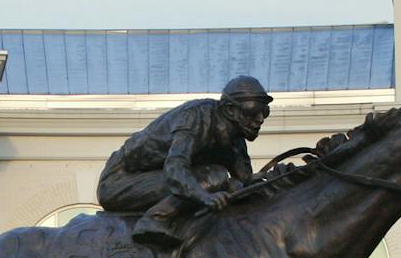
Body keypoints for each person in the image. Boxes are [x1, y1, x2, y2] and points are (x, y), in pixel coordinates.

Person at [96, 75, 272, 247]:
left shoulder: (236, 137)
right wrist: (204, 197)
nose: (260, 119)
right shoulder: (194, 117)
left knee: (233, 185)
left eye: (264, 112)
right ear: (230, 109)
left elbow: (244, 182)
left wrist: (271, 178)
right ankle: (154, 219)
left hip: (156, 180)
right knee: (215, 176)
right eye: (253, 111)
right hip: (119, 182)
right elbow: (175, 170)